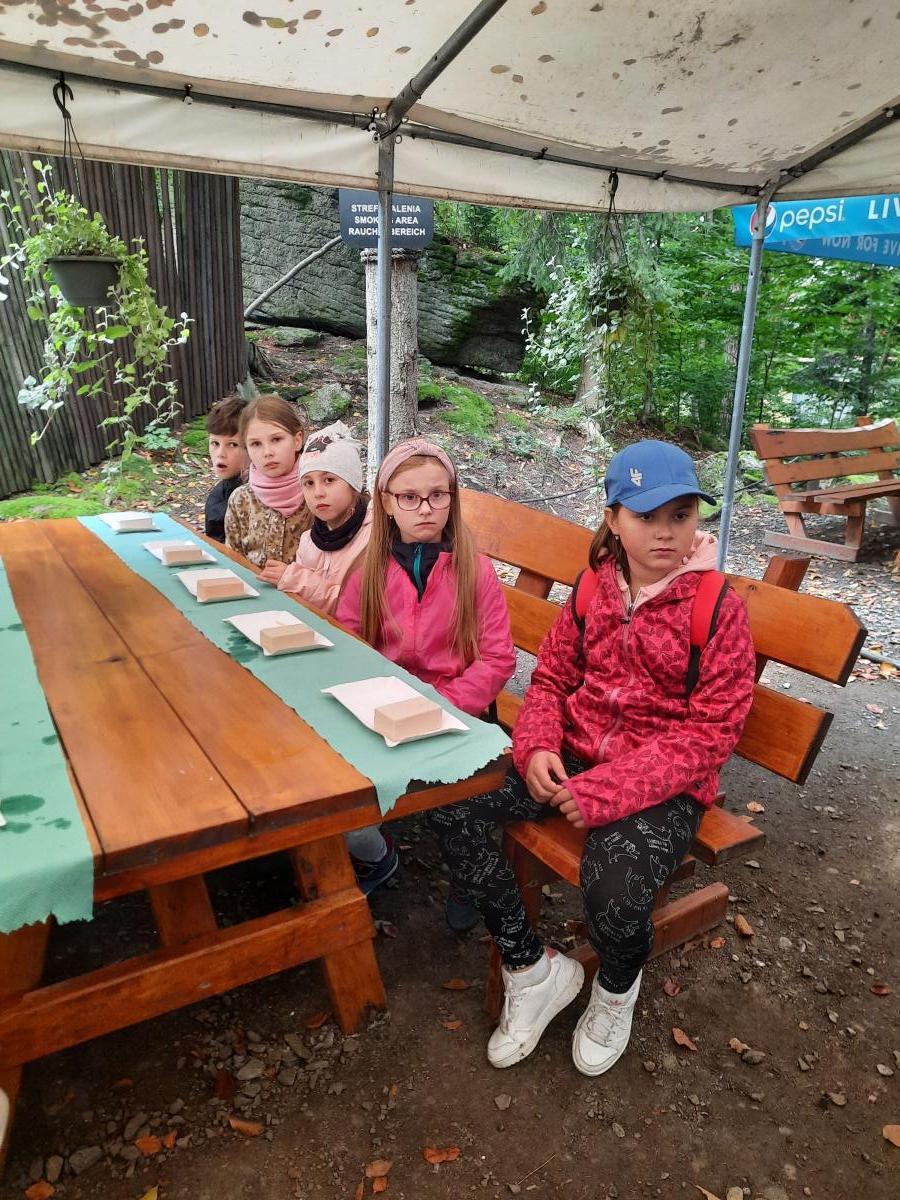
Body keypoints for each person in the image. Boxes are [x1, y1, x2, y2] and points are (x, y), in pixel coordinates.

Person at [427, 440, 757, 1075]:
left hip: (663, 783)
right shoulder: (593, 590)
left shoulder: (717, 609)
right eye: (647, 516)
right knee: (450, 805)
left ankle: (616, 987)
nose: (667, 532)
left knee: (614, 894)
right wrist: (537, 746)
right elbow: (551, 679)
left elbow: (711, 734)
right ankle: (532, 970)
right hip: (571, 756)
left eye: (682, 515)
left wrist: (607, 791)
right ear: (613, 518)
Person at [336, 438, 517, 924]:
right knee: (338, 786)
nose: (425, 508)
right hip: (386, 708)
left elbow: (497, 657)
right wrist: (381, 699)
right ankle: (373, 852)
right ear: (386, 503)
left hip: (456, 711)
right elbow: (350, 645)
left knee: (464, 803)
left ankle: (469, 873)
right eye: (409, 497)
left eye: (438, 495)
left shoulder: (475, 571)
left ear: (452, 499)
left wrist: (444, 702)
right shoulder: (368, 570)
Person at [257, 421, 372, 616]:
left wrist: (297, 581)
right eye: (308, 483)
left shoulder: (374, 537)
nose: (318, 493)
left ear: (353, 484)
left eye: (329, 480)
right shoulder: (308, 541)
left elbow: (361, 609)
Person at [224, 395, 310, 568]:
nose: (267, 452)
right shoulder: (241, 500)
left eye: (276, 439)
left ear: (297, 440)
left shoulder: (315, 494)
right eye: (256, 444)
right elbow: (233, 561)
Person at [204, 394, 246, 543]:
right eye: (215, 443)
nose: (220, 454)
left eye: (233, 444)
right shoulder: (216, 497)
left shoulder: (260, 497)